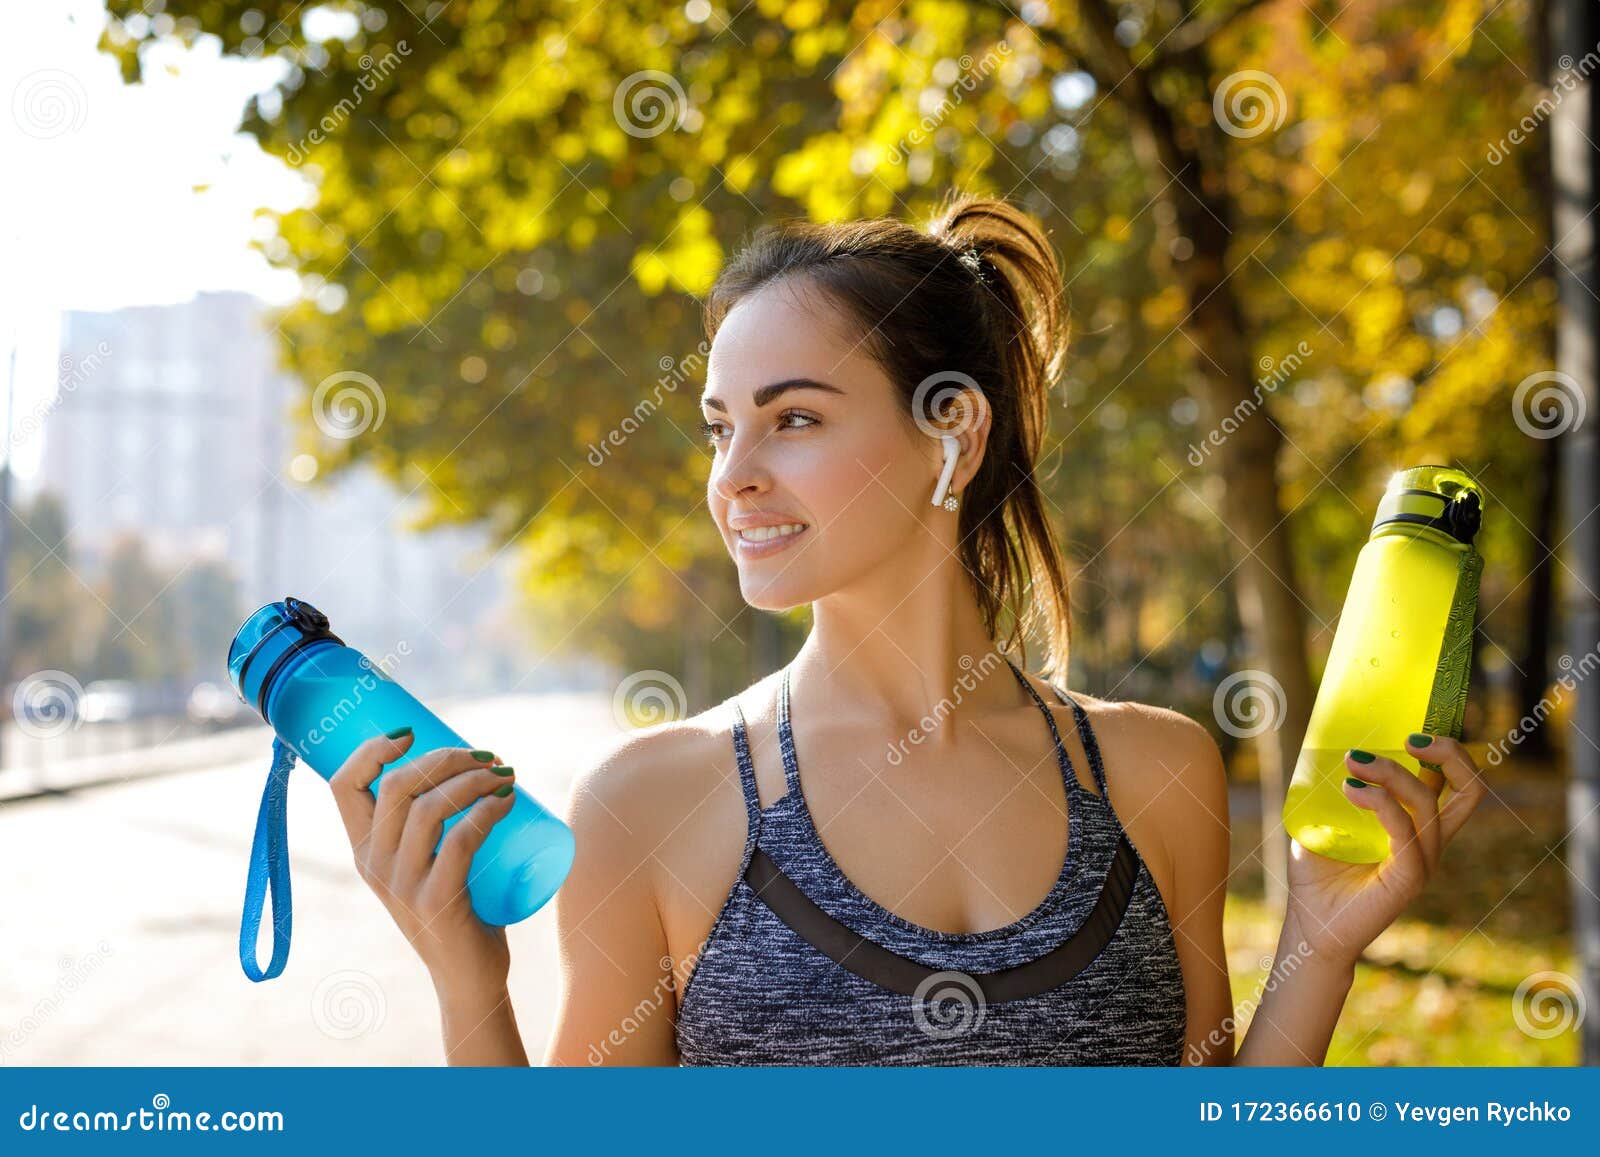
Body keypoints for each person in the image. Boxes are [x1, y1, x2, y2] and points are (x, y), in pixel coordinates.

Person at [326, 191, 1487, 1066]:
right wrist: (468, 980)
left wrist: (1321, 943)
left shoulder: (1154, 769)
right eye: (719, 427)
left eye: (793, 419)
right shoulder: (651, 799)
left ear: (951, 432)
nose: (733, 476)